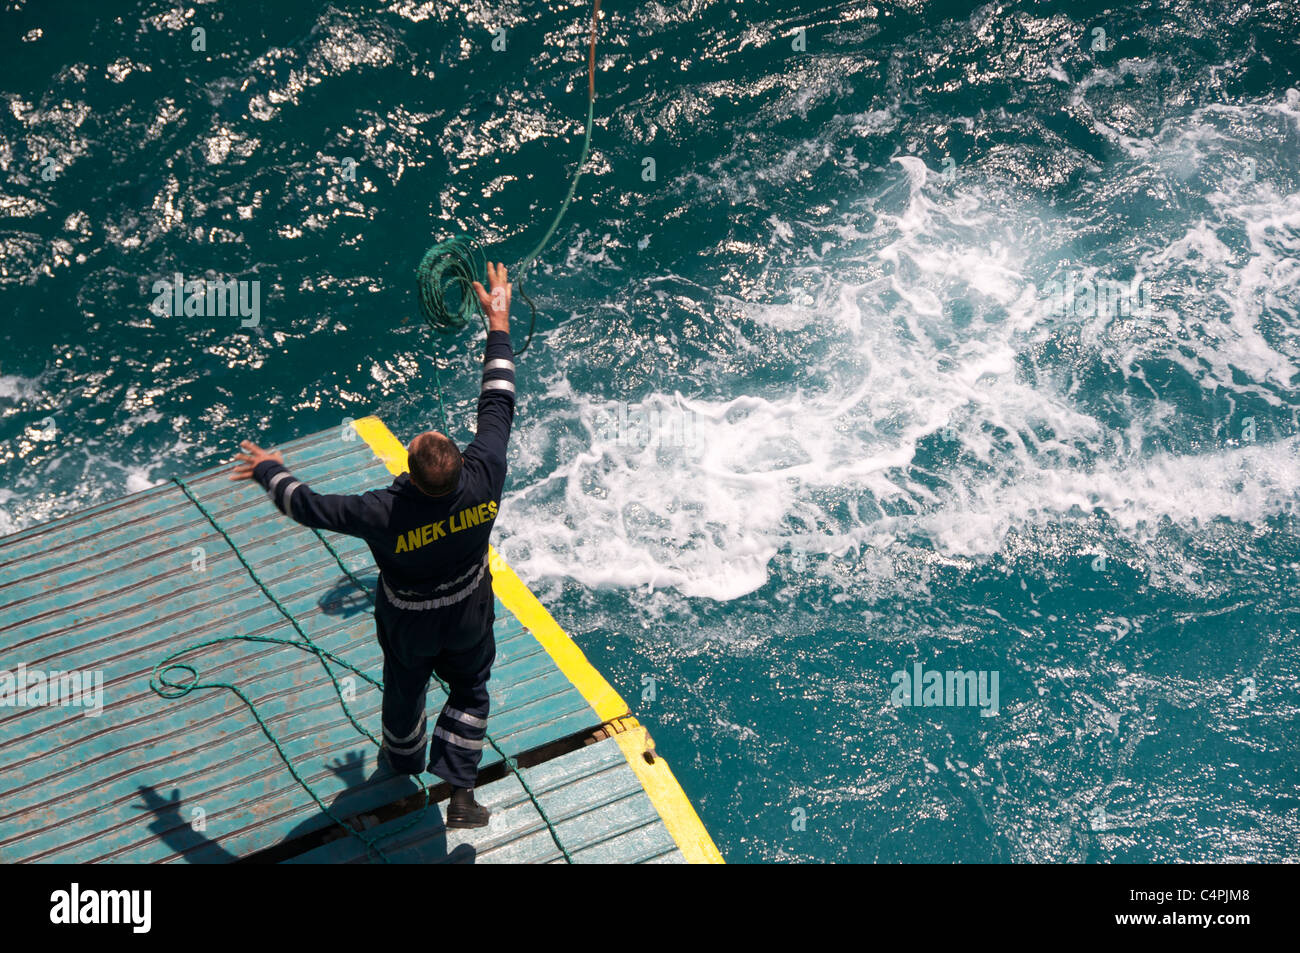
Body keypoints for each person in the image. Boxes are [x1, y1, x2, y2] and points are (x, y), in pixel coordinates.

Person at [228, 262, 516, 829]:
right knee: (471, 689)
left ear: (410, 471)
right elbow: (498, 400)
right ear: (459, 464)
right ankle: (460, 791)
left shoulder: (381, 512)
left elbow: (304, 505)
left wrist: (270, 470)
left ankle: (402, 758)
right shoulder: (486, 473)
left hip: (409, 622)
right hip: (467, 613)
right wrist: (497, 322)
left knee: (404, 689)